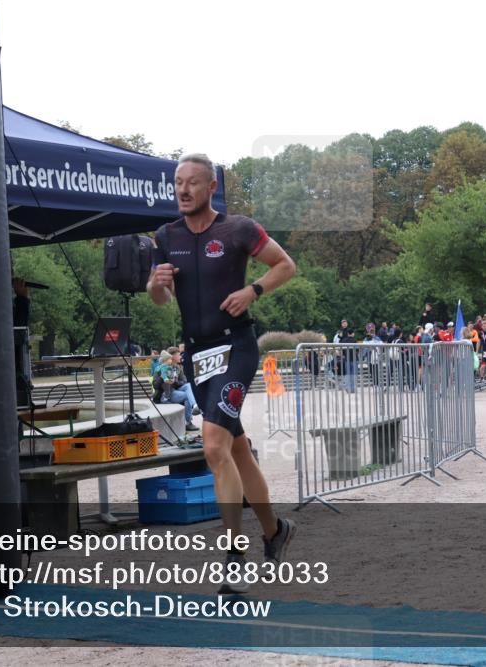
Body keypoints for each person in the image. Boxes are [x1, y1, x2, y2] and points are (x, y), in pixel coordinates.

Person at [148, 153, 297, 591]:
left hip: (236, 347)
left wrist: (253, 291)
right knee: (236, 452)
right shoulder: (165, 235)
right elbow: (158, 299)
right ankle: (275, 531)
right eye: (178, 182)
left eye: (192, 182)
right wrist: (156, 284)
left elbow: (285, 265)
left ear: (211, 187)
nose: (183, 190)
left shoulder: (238, 229)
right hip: (197, 354)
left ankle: (236, 557)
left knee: (213, 445)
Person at [158, 348, 200, 430]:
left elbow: (184, 380)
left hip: (176, 389)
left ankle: (194, 406)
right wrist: (168, 380)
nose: (180, 356)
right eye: (178, 355)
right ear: (172, 356)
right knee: (188, 396)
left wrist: (176, 381)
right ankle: (188, 422)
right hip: (168, 394)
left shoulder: (178, 367)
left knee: (188, 385)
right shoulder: (164, 367)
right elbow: (158, 383)